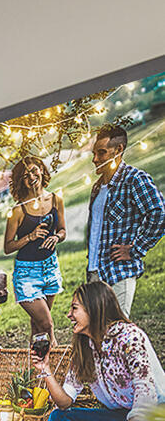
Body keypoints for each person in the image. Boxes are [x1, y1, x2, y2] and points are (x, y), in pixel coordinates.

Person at [43, 279, 162, 421]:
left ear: (94, 308)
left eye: (75, 308)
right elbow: (65, 402)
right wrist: (44, 368)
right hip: (119, 417)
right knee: (57, 418)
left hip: (152, 415)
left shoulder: (129, 337)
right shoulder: (85, 347)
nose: (69, 315)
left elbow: (146, 396)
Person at [82, 123, 164, 323]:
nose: (95, 159)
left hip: (119, 271)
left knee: (118, 334)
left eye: (102, 153)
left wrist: (135, 250)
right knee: (96, 336)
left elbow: (159, 214)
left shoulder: (135, 179)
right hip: (94, 274)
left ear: (119, 150)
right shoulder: (97, 187)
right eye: (94, 153)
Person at [1, 153, 66, 354]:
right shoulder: (18, 211)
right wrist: (30, 237)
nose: (31, 177)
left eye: (34, 170)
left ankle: (36, 369)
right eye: (25, 175)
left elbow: (63, 230)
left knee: (37, 326)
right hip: (27, 273)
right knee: (47, 324)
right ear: (21, 180)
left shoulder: (56, 199)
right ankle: (55, 356)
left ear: (41, 169)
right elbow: (8, 247)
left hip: (50, 267)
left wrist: (57, 237)